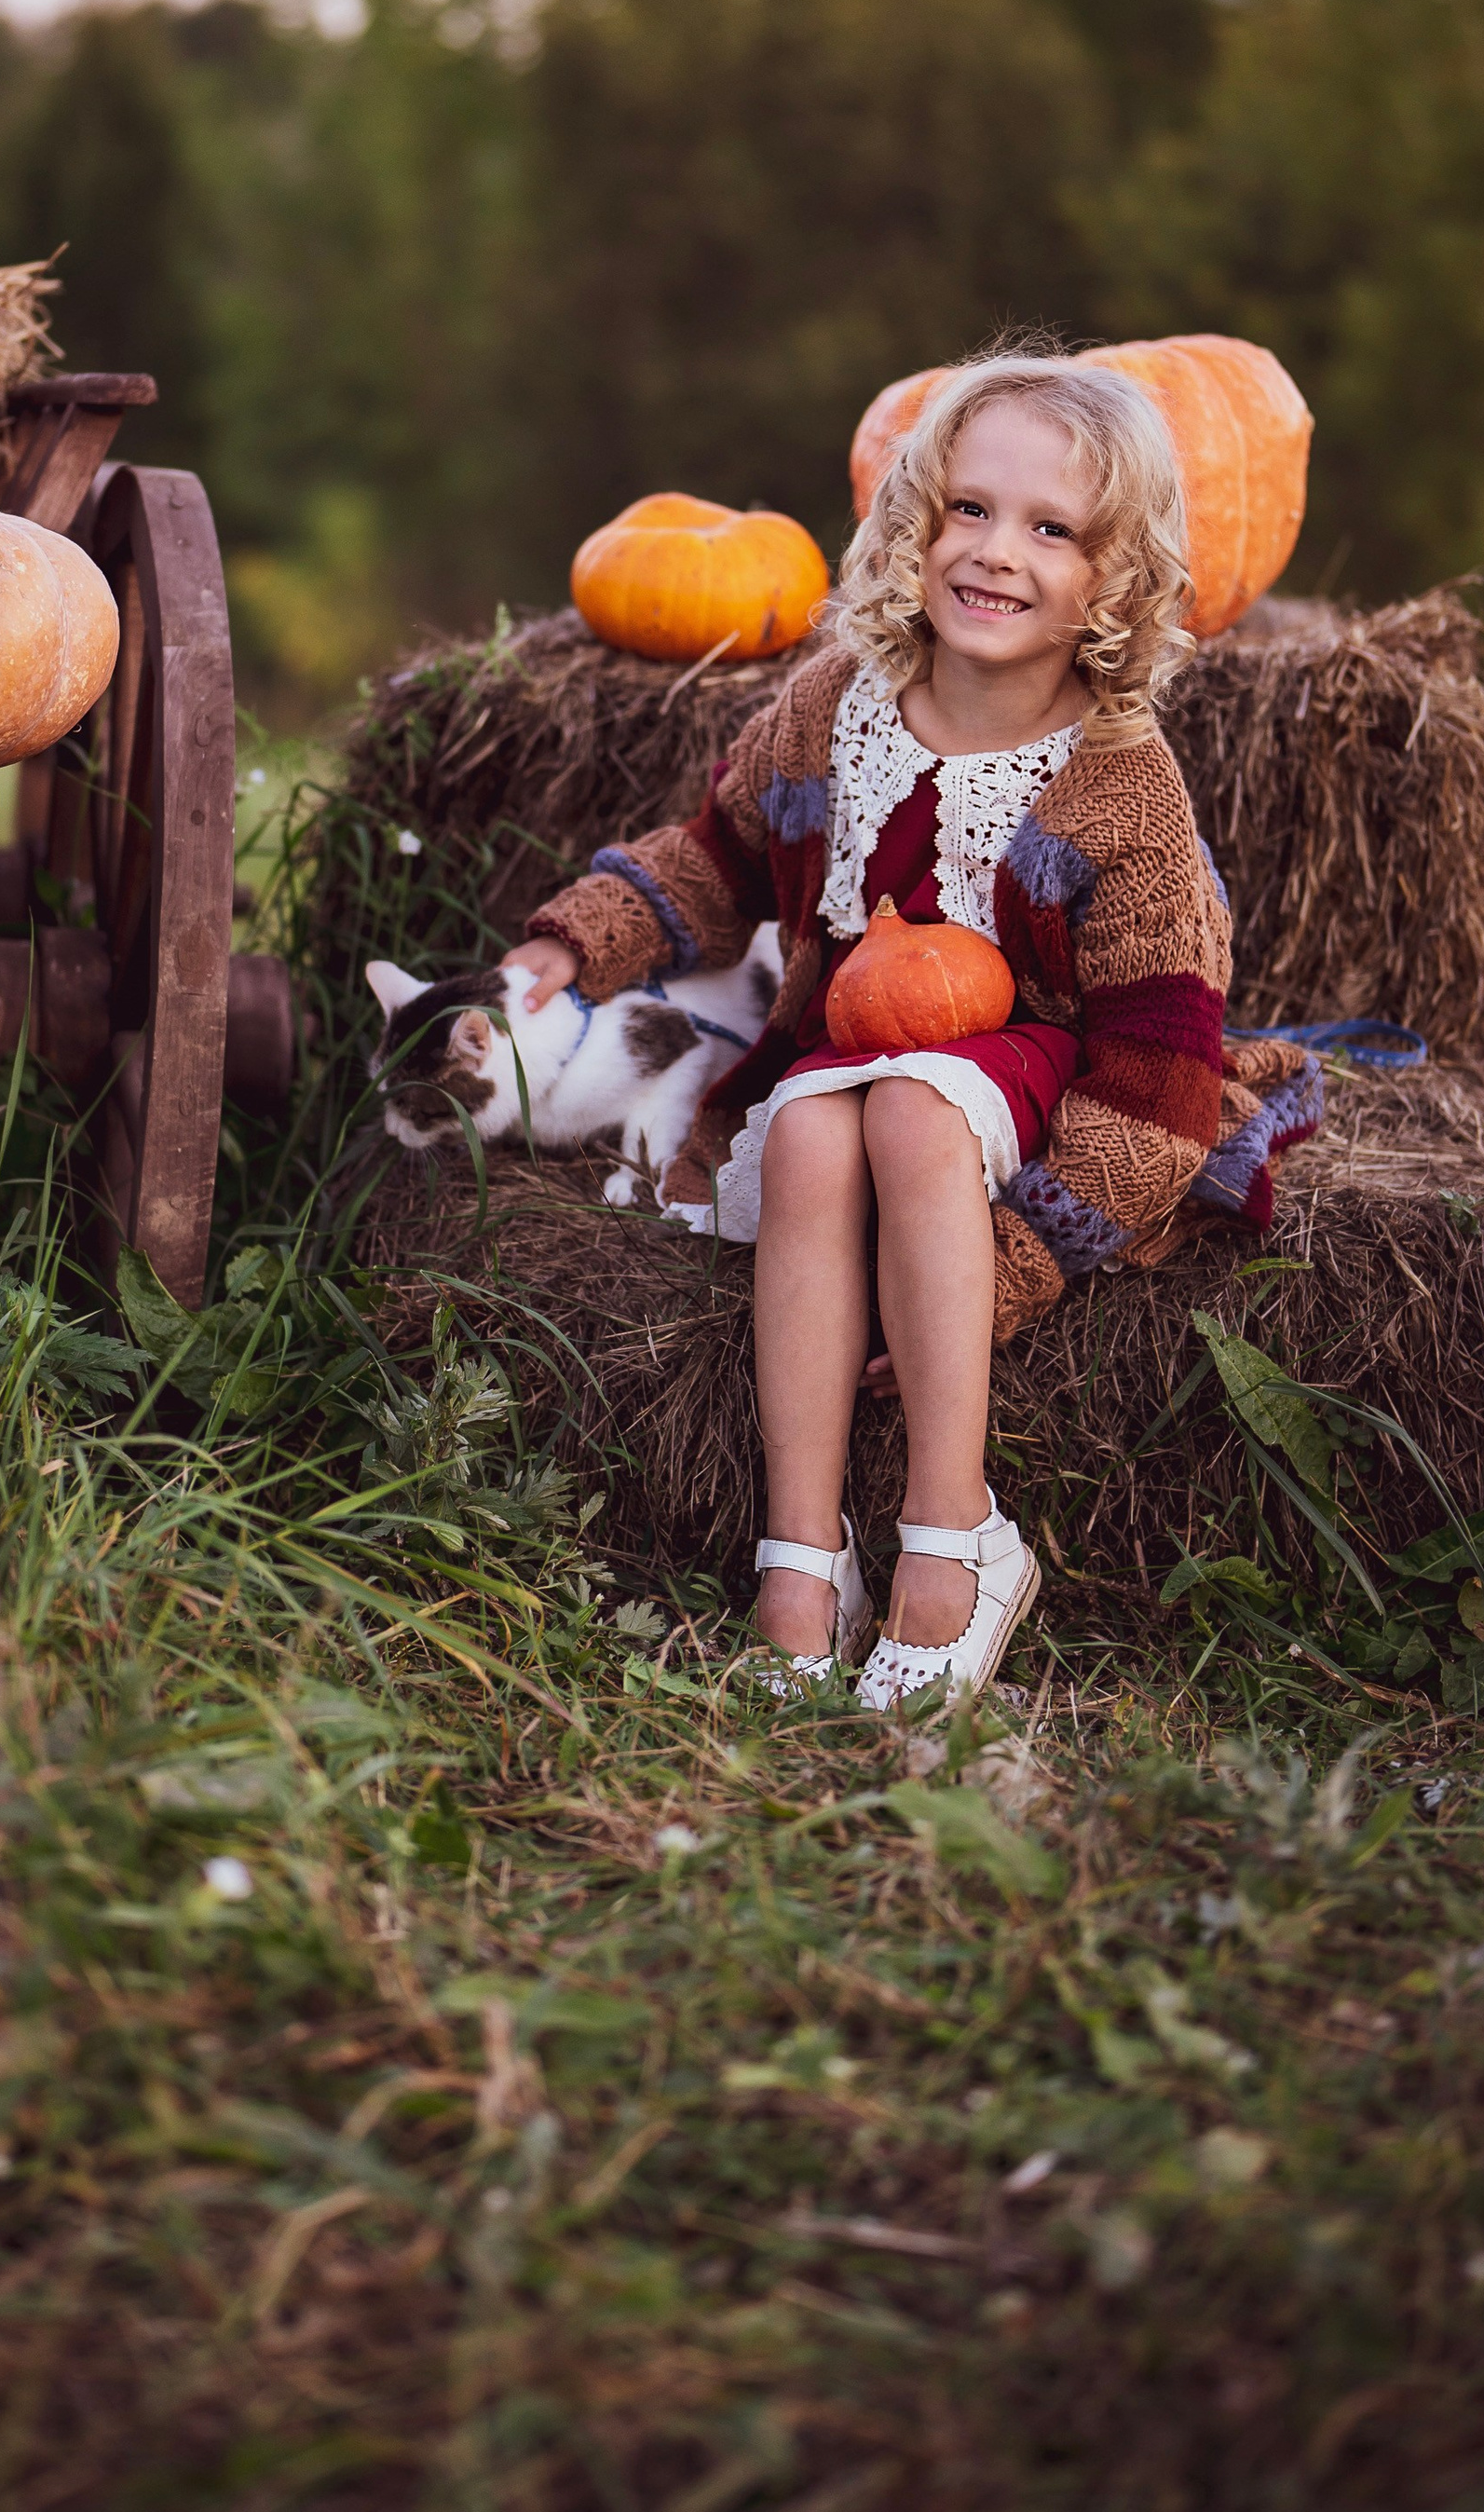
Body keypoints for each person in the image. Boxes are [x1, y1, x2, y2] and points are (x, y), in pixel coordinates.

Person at [504, 349, 1321, 1709]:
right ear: (914, 520)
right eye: (970, 509)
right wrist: (571, 939)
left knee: (902, 1100)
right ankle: (802, 1557)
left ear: (1115, 580)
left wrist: (1016, 1262)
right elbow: (714, 859)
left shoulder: (1123, 789)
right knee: (818, 1123)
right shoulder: (836, 707)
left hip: (1049, 1083)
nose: (999, 554)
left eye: (1052, 529)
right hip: (860, 1057)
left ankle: (956, 1536)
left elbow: (1160, 1083)